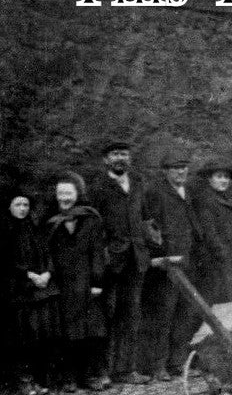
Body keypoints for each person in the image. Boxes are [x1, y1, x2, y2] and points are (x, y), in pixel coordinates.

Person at [89, 140, 150, 385]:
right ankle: (100, 373)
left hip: (136, 261)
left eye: (124, 154)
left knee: (131, 316)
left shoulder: (137, 184)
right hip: (109, 263)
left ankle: (126, 369)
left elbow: (144, 219)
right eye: (114, 154)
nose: (120, 158)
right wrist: (103, 254)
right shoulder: (98, 188)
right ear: (106, 160)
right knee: (104, 317)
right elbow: (93, 226)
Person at [140, 144, 199, 382]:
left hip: (187, 261)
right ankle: (157, 366)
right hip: (167, 265)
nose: (180, 173)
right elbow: (149, 228)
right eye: (175, 169)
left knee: (183, 314)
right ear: (165, 171)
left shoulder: (186, 192)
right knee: (162, 316)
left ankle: (177, 363)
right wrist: (162, 255)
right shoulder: (155, 192)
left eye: (183, 168)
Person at [45, 175, 108, 392]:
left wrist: (97, 281)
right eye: (60, 193)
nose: (64, 198)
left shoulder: (90, 219)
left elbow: (98, 253)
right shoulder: (50, 221)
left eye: (68, 193)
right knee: (67, 334)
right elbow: (46, 255)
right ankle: (69, 378)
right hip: (62, 285)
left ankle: (90, 376)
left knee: (91, 333)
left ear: (77, 194)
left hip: (87, 284)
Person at [4, 190, 59, 395]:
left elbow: (46, 254)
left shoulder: (34, 229)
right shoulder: (5, 231)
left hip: (38, 290)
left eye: (26, 205)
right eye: (18, 205)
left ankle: (38, 379)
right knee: (20, 338)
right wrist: (28, 275)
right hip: (16, 291)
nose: (22, 209)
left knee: (39, 335)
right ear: (9, 207)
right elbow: (6, 263)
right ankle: (22, 381)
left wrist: (46, 273)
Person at [192, 158, 232, 304]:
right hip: (220, 263)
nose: (224, 180)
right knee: (225, 302)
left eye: (226, 177)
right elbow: (209, 233)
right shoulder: (205, 201)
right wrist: (223, 255)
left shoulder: (224, 200)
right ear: (209, 178)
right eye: (219, 176)